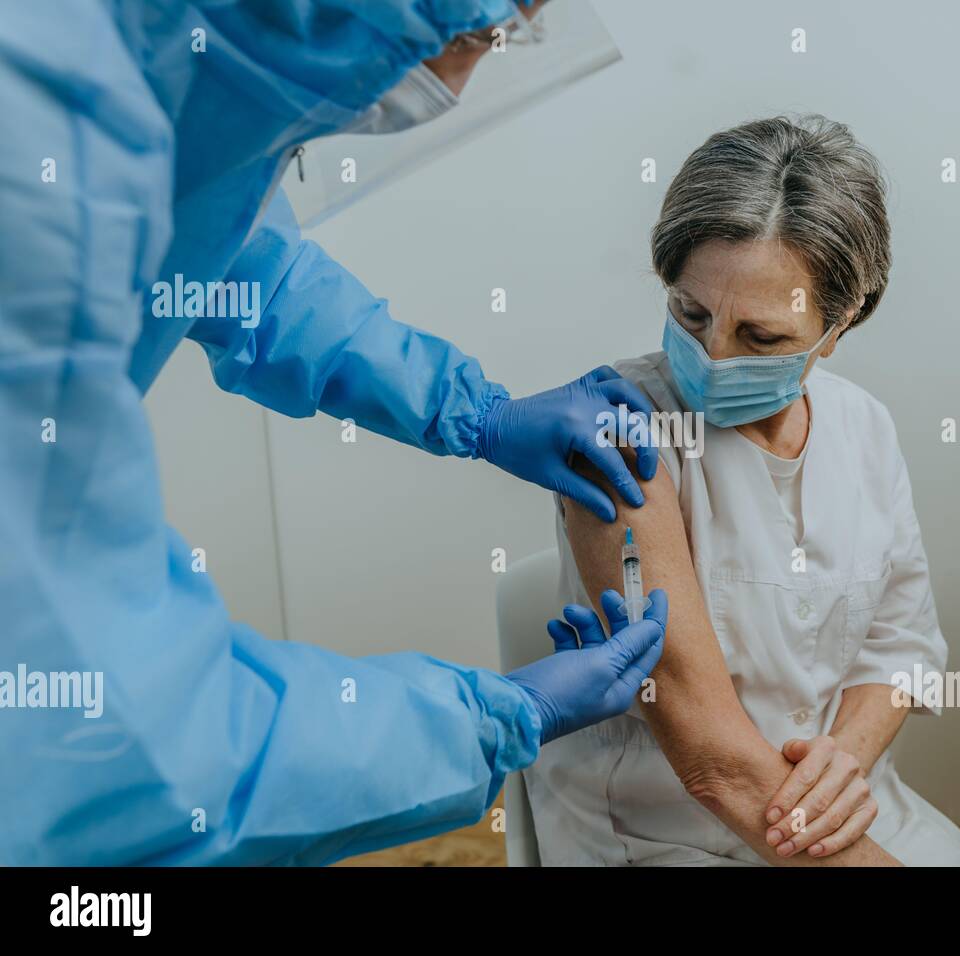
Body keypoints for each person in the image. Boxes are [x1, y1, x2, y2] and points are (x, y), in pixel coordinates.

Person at [0, 0, 666, 866]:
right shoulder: (39, 160)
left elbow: (245, 270)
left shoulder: (145, 64)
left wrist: (472, 410)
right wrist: (495, 718)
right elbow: (127, 752)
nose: (461, 84)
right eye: (481, 35)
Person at [523, 116, 960, 866]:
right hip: (664, 829)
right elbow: (712, 762)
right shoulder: (620, 434)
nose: (711, 357)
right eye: (691, 313)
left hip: (843, 804)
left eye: (760, 337)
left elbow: (901, 648)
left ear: (840, 324)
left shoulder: (864, 428)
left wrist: (841, 761)